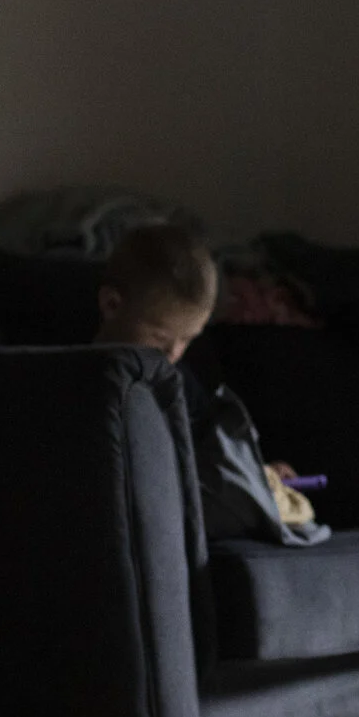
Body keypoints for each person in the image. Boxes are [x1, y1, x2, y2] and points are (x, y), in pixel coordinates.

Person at [95, 223, 324, 547]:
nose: (173, 354)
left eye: (188, 340)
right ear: (112, 305)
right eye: (160, 338)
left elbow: (212, 445)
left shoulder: (178, 380)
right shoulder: (84, 381)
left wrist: (259, 472)